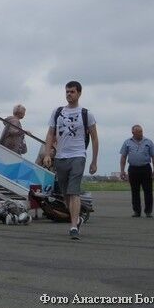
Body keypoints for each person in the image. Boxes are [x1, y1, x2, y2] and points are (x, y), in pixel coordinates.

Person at [43, 81, 99, 240]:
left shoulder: (86, 114)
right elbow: (50, 134)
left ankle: (73, 226)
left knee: (73, 191)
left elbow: (94, 138)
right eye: (67, 92)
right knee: (66, 194)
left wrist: (94, 161)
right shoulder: (57, 112)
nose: (69, 94)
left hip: (78, 155)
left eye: (72, 92)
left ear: (79, 93)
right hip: (61, 156)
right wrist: (48, 154)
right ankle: (78, 217)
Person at [119, 125, 154, 218]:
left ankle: (148, 211)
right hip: (133, 169)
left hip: (145, 168)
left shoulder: (148, 142)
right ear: (133, 133)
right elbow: (123, 157)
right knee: (135, 191)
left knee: (148, 191)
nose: (141, 133)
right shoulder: (127, 142)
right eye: (139, 132)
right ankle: (137, 211)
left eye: (141, 131)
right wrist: (122, 170)